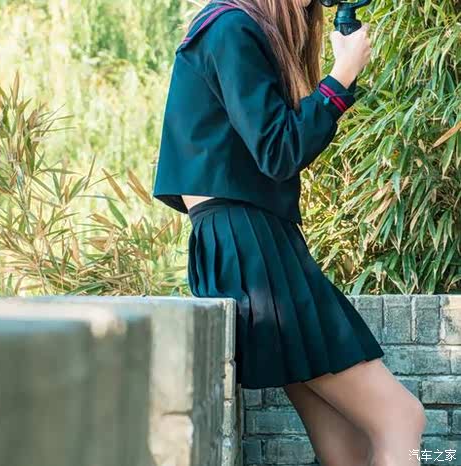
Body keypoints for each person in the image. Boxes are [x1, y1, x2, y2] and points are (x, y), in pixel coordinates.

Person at [151, 1, 427, 465]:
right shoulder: (230, 28)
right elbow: (279, 150)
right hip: (250, 243)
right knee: (402, 418)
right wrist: (341, 77)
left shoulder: (228, 28)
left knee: (345, 445)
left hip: (249, 241)